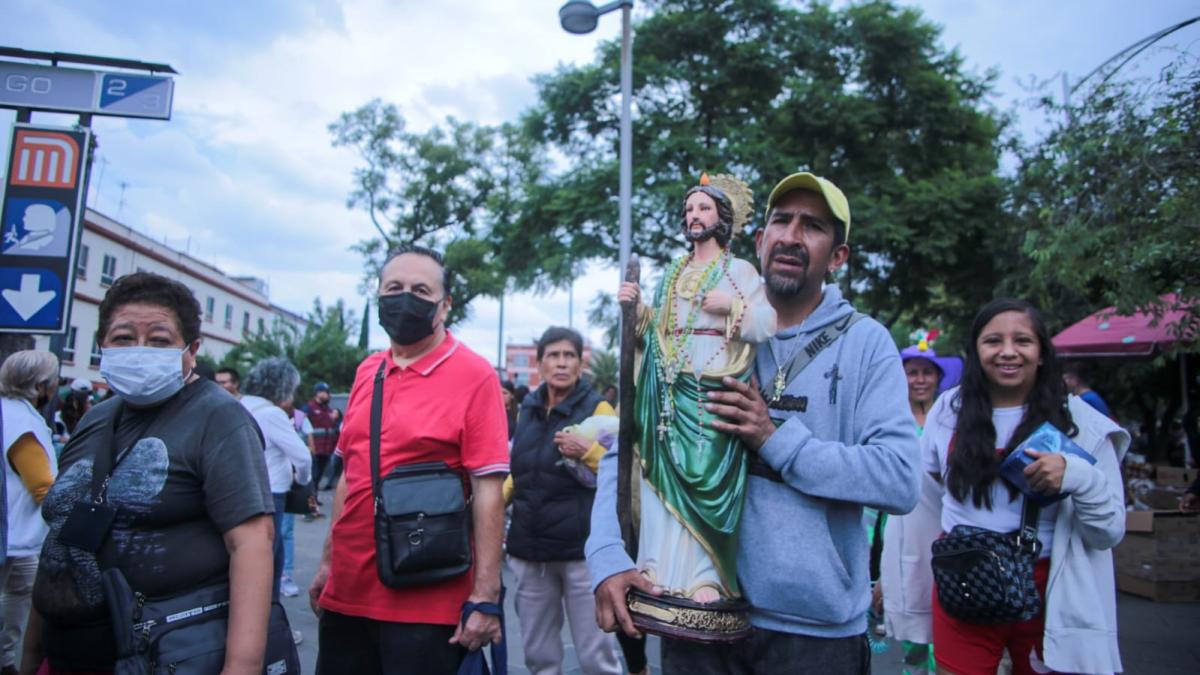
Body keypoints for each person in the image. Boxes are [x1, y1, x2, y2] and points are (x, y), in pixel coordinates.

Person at [589, 171, 920, 674]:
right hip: (692, 616)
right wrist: (608, 555)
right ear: (759, 240)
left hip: (814, 633)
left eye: (812, 226)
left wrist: (776, 439)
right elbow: (632, 444)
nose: (791, 235)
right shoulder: (688, 325)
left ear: (838, 257)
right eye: (781, 221)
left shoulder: (865, 343)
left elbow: (898, 479)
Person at [23, 272, 275, 673]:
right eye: (123, 337)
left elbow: (251, 544)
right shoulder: (96, 418)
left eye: (159, 340)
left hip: (158, 654)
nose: (139, 349)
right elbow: (62, 540)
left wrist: (241, 666)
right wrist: (31, 655)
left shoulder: (219, 418)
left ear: (191, 349)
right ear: (102, 344)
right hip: (66, 650)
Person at [310, 245, 509, 674]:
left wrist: (486, 595)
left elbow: (489, 491)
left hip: (428, 599)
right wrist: (328, 562)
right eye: (394, 287)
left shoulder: (474, 376)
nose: (405, 298)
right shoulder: (368, 371)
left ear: (444, 305)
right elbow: (351, 474)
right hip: (348, 594)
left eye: (421, 290)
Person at [917, 299, 1128, 675]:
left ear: (1043, 353)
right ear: (976, 351)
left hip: (1050, 589)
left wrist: (1077, 476)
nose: (1008, 352)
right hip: (964, 577)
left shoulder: (1083, 423)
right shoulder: (948, 409)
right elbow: (931, 486)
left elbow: (1109, 531)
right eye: (993, 341)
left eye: (1023, 341)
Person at [613, 172, 776, 606]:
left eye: (703, 208)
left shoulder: (738, 270)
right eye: (689, 210)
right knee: (659, 473)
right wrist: (637, 308)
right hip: (668, 388)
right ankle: (657, 566)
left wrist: (732, 308)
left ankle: (708, 577)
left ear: (721, 217)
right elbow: (659, 329)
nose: (694, 216)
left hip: (713, 389)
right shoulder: (674, 271)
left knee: (705, 476)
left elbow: (767, 324)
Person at [504, 327, 622, 675]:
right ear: (540, 364)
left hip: (581, 553)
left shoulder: (598, 407)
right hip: (530, 550)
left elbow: (625, 475)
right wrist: (491, 507)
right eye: (553, 356)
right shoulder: (528, 408)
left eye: (569, 355)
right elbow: (520, 472)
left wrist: (590, 452)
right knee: (538, 655)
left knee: (595, 654)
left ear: (580, 363)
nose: (561, 363)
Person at [875, 341, 962, 673]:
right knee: (912, 619)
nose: (920, 380)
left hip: (946, 529)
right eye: (913, 373)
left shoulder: (951, 418)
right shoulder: (888, 418)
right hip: (899, 527)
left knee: (947, 616)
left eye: (927, 372)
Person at [0, 351, 59, 675]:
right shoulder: (22, 425)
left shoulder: (9, 413)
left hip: (14, 536)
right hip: (15, 535)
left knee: (17, 597)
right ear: (40, 387)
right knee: (14, 602)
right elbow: (42, 488)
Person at [239, 357, 313, 614]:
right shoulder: (272, 414)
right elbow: (302, 457)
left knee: (244, 564)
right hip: (272, 495)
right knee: (270, 562)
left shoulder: (238, 405)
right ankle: (269, 628)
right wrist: (302, 481)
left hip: (240, 492)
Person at [303, 382, 339, 489]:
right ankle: (309, 500)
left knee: (318, 476)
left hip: (326, 449)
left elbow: (334, 429)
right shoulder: (308, 408)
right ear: (318, 393)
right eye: (325, 392)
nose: (328, 395)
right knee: (313, 476)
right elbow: (298, 425)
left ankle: (315, 498)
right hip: (313, 449)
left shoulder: (328, 410)